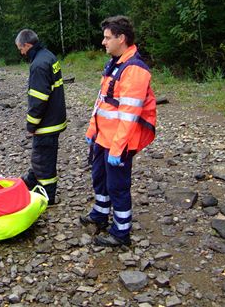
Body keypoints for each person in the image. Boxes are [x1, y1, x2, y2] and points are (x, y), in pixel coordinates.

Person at [80, 16, 156, 247]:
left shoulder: (134, 70)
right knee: (100, 178)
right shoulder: (116, 63)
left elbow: (128, 116)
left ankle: (121, 233)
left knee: (118, 186)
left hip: (119, 142)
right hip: (104, 137)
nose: (103, 42)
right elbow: (102, 103)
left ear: (121, 39)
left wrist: (118, 147)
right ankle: (100, 215)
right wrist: (92, 133)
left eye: (107, 37)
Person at [15, 29, 67, 205]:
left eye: (20, 48)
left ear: (27, 45)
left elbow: (38, 100)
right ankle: (32, 180)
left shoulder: (38, 65)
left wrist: (31, 125)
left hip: (47, 123)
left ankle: (48, 196)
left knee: (43, 158)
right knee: (43, 157)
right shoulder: (48, 56)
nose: (21, 52)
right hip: (56, 118)